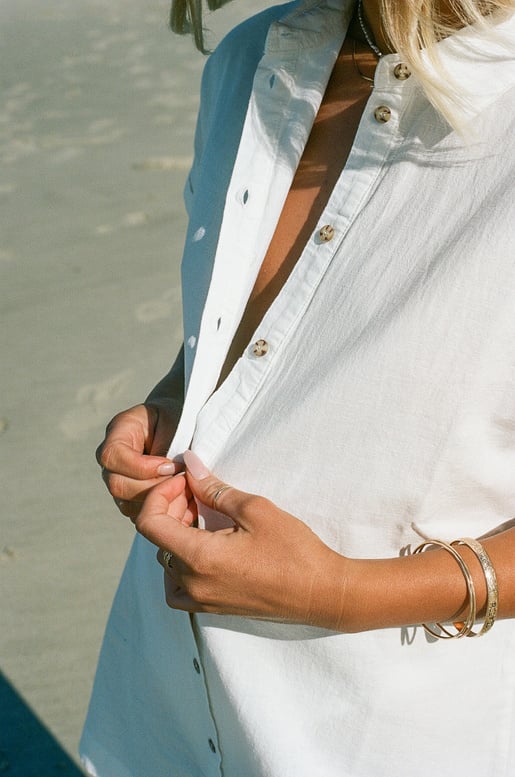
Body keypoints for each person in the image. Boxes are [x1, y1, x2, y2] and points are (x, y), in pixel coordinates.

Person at [80, 0, 515, 775]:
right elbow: (264, 323)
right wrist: (178, 395)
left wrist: (351, 592)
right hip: (169, 699)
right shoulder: (255, 58)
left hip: (393, 733)